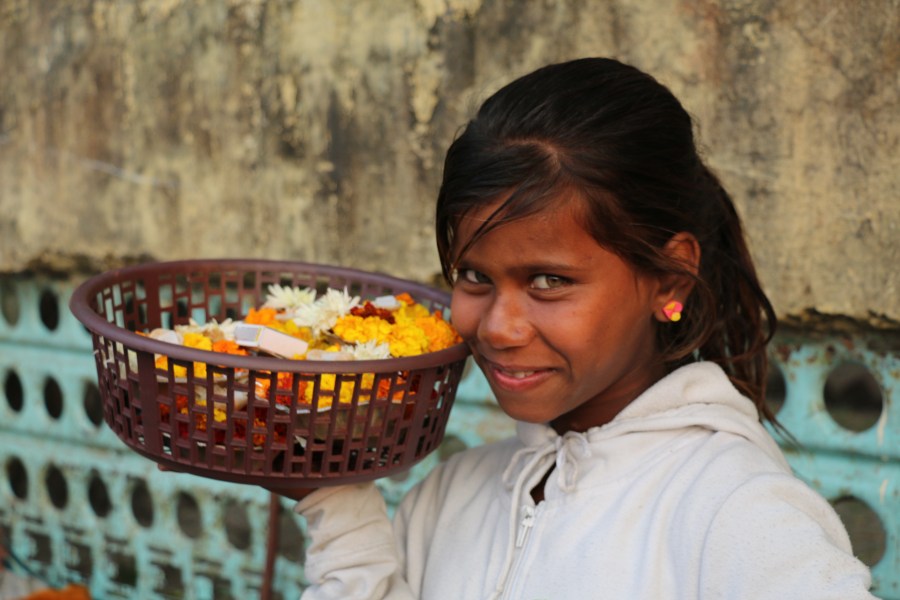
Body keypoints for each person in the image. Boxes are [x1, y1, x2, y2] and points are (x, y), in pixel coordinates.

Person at [276, 57, 878, 599]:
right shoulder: (453, 492)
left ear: (669, 280)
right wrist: (336, 497)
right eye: (473, 275)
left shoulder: (733, 510)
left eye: (549, 281)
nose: (499, 328)